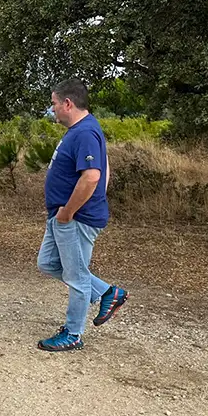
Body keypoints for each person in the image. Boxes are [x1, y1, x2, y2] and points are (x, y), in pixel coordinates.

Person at [36, 79, 127, 352]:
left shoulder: (85, 132)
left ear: (67, 103)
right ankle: (107, 292)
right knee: (48, 263)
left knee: (77, 277)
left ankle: (73, 334)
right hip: (65, 216)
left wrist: (69, 212)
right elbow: (104, 168)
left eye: (54, 104)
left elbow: (91, 177)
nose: (52, 110)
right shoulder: (81, 130)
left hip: (75, 219)